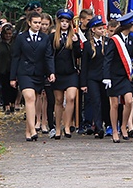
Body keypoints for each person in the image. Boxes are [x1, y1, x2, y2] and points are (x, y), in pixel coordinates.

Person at [10, 11, 55, 141]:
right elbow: (16, 57)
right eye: (35, 23)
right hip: (24, 72)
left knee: (34, 100)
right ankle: (33, 129)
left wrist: (51, 72)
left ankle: (28, 131)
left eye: (39, 23)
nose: (38, 25)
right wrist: (13, 77)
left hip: (39, 73)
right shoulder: (21, 37)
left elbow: (48, 56)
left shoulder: (45, 38)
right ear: (29, 23)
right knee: (29, 98)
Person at [104, 11, 133, 142]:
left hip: (125, 76)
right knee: (114, 104)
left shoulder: (131, 39)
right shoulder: (114, 40)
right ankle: (115, 130)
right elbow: (107, 59)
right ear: (128, 25)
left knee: (129, 101)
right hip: (113, 76)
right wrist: (106, 76)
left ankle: (124, 126)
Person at [51, 9, 82, 139]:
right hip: (58, 73)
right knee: (58, 100)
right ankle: (58, 128)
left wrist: (75, 43)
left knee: (71, 98)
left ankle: (67, 126)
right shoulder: (52, 37)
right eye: (62, 21)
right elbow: (49, 56)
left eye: (67, 22)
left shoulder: (74, 36)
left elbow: (79, 55)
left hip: (71, 72)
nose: (64, 24)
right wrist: (50, 72)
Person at [80, 16, 109, 138]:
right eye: (99, 28)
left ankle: (108, 124)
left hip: (105, 77)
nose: (102, 30)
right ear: (93, 30)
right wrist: (83, 83)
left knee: (105, 101)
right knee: (95, 101)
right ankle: (98, 127)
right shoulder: (87, 45)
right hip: (92, 78)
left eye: (103, 28)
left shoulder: (107, 42)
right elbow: (84, 65)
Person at [0, 23, 17, 113]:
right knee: (4, 87)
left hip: (13, 67)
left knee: (14, 87)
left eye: (10, 34)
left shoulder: (15, 42)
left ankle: (12, 102)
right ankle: (6, 104)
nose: (8, 36)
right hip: (2, 67)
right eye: (6, 34)